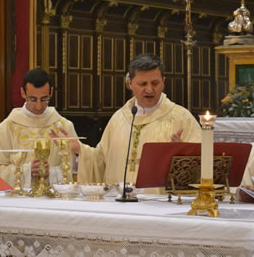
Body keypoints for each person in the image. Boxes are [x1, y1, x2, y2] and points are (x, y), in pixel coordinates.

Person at [70, 53, 202, 185]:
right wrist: (80, 151)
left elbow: (204, 167)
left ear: (163, 82)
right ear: (130, 83)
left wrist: (184, 157)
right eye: (142, 84)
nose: (149, 90)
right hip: (119, 202)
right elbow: (101, 160)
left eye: (155, 83)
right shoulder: (119, 119)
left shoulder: (182, 119)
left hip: (161, 203)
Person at [0, 69, 77, 188]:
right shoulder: (7, 128)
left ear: (51, 92)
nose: (38, 106)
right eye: (33, 99)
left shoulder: (64, 127)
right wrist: (27, 171)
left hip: (54, 200)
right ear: (23, 93)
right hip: (17, 202)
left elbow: (75, 171)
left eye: (44, 99)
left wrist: (50, 174)